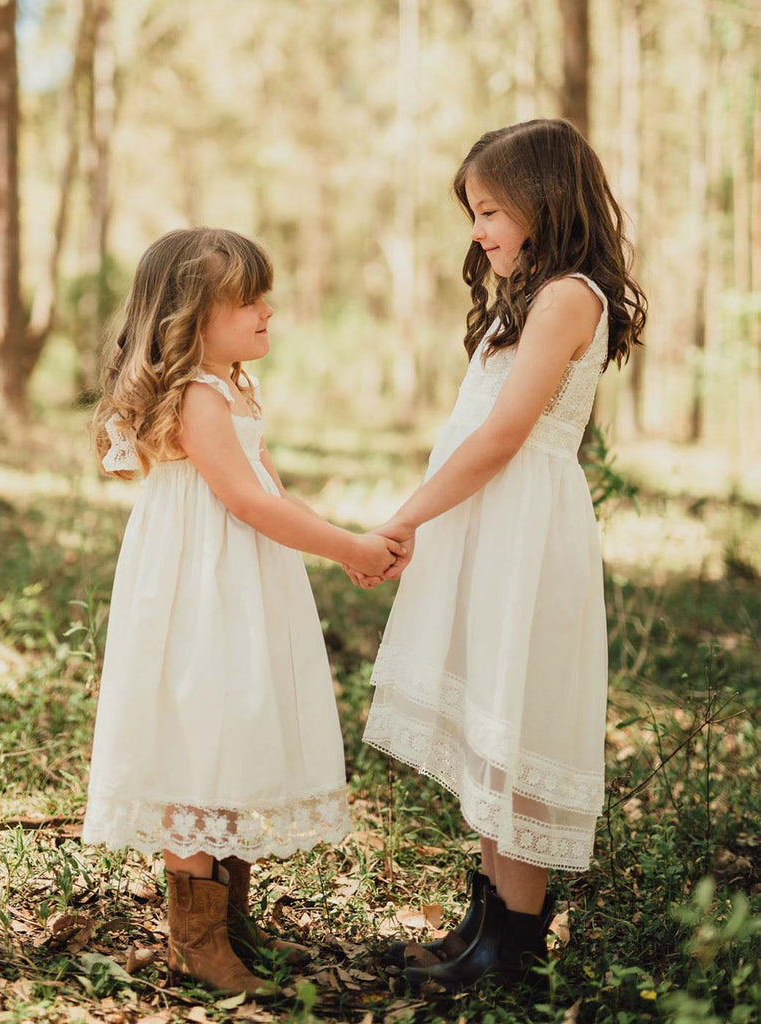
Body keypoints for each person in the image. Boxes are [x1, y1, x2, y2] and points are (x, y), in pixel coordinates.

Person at [348, 119, 647, 992]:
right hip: (490, 525)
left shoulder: (569, 297)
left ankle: (512, 948)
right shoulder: (535, 295)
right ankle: (487, 920)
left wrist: (402, 520)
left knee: (512, 720)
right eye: (474, 214)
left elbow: (506, 434)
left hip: (524, 533)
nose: (478, 232)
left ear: (543, 201)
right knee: (488, 715)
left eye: (489, 211)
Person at [82, 228, 405, 998]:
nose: (268, 310)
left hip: (234, 582)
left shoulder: (231, 388)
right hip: (198, 588)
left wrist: (352, 540)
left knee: (232, 722)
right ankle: (195, 939)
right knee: (197, 733)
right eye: (247, 299)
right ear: (191, 316)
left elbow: (274, 495)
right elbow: (246, 502)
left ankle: (228, 920)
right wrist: (346, 548)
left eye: (265, 294)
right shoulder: (197, 392)